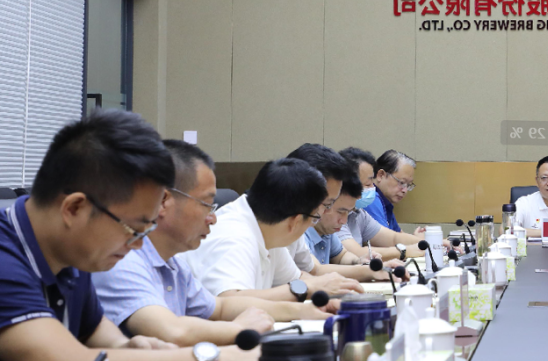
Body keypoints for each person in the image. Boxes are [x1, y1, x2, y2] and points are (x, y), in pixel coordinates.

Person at [0, 111, 259, 361]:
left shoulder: (72, 253)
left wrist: (131, 349)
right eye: (133, 230)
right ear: (74, 209)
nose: (138, 245)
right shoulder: (6, 258)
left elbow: (99, 335)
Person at [93, 140, 338, 347]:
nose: (213, 218)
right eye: (206, 205)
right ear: (164, 200)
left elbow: (220, 307)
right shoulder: (123, 258)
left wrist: (301, 311)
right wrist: (238, 329)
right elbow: (172, 331)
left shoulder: (172, 263)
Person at [182, 158, 364, 302]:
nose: (312, 225)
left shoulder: (269, 231)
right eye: (314, 218)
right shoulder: (234, 236)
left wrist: (334, 286)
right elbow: (229, 301)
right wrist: (310, 289)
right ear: (295, 221)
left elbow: (297, 279)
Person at [285, 145, 401, 282]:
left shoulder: (310, 226)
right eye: (327, 204)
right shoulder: (291, 226)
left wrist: (359, 262)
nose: (324, 211)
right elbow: (314, 273)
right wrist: (368, 271)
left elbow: (336, 258)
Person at [337, 148, 435, 262]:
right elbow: (357, 253)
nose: (372, 188)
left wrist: (432, 243)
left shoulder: (358, 212)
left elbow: (393, 238)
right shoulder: (333, 214)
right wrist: (404, 251)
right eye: (368, 184)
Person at [365, 150, 418, 233]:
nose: (405, 190)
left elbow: (399, 235)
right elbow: (384, 239)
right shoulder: (370, 198)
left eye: (408, 185)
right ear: (381, 175)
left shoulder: (385, 201)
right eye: (402, 182)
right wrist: (418, 239)